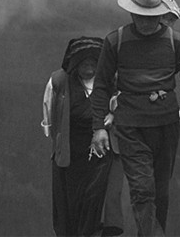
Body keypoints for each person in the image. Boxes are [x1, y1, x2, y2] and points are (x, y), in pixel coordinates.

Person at [90, 0, 180, 236]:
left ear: (160, 14)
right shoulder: (115, 42)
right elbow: (100, 86)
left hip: (165, 125)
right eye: (141, 16)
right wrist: (98, 127)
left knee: (160, 191)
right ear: (132, 13)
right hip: (130, 125)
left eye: (151, 16)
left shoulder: (177, 42)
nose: (145, 21)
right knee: (143, 189)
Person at [42, 37, 124, 236]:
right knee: (70, 207)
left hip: (103, 158)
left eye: (93, 62)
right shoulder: (59, 82)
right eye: (83, 62)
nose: (88, 66)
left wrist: (113, 116)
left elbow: (126, 107)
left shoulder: (112, 82)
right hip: (70, 157)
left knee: (98, 204)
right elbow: (49, 116)